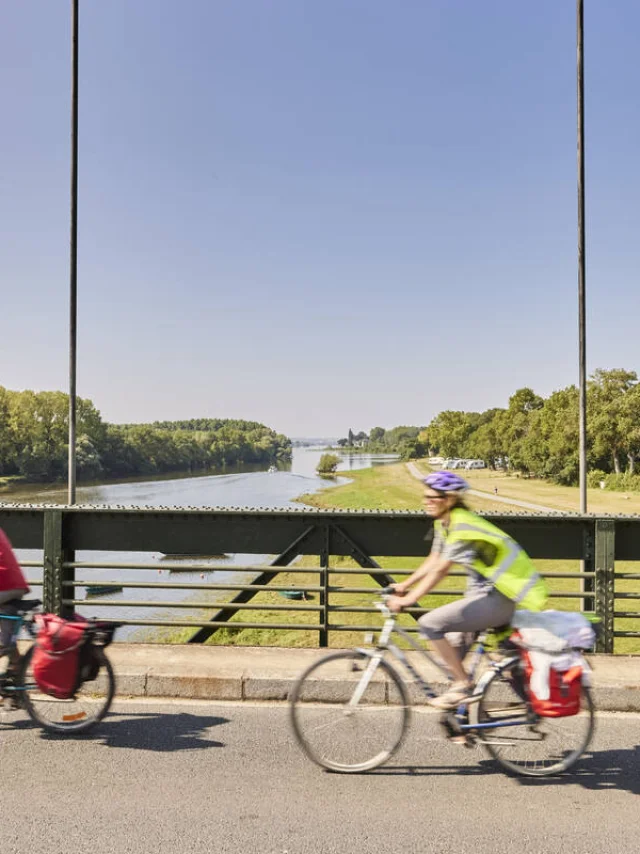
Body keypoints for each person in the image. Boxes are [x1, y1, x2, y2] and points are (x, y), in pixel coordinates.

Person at [387, 471, 547, 709]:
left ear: (449, 499)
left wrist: (408, 599)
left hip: (499, 597)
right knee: (451, 659)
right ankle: (470, 720)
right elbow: (434, 558)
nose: (426, 500)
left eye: (433, 496)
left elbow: (441, 570)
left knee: (430, 624)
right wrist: (403, 585)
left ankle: (464, 686)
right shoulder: (445, 523)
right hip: (483, 595)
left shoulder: (462, 525)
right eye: (425, 495)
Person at [0, 527, 30, 677]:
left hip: (4, 585)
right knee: (7, 641)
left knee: (4, 644)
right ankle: (16, 685)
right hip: (15, 585)